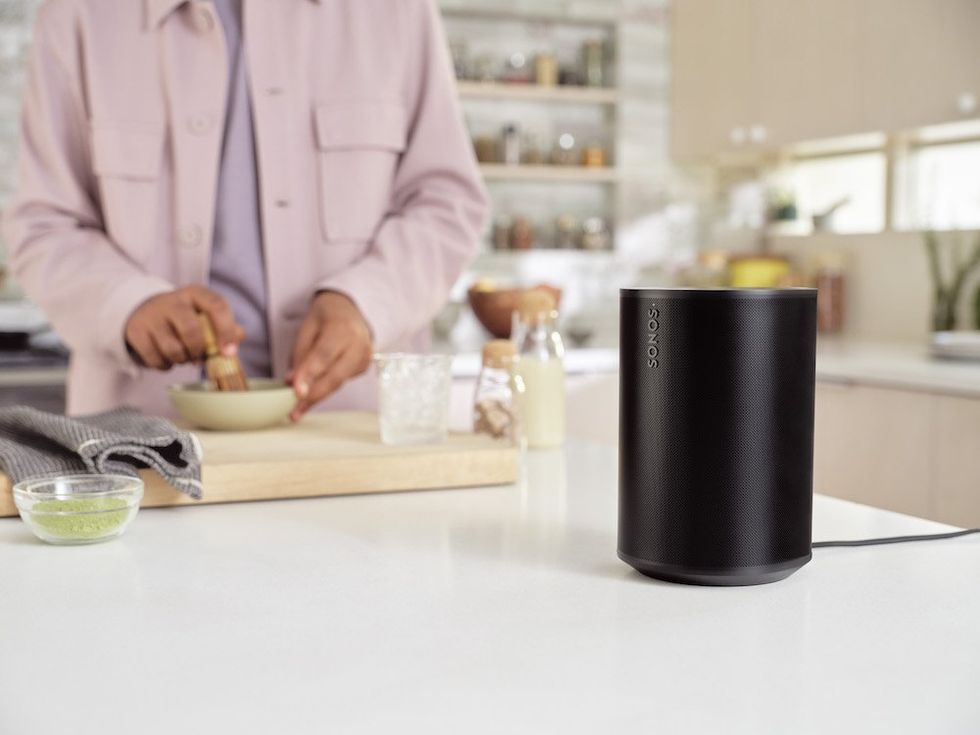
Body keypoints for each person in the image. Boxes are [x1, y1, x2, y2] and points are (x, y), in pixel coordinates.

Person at [3, 0, 488, 419]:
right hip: (141, 439)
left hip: (350, 433)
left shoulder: (395, 10)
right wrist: (126, 305)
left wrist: (364, 303)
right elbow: (44, 225)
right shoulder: (78, 13)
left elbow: (447, 202)